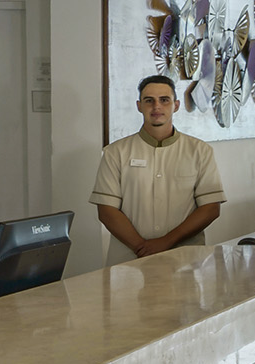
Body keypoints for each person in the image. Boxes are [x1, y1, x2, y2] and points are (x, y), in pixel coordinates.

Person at [93, 72, 225, 261]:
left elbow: (211, 208)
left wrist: (166, 242)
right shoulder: (115, 152)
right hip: (129, 260)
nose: (156, 107)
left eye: (164, 100)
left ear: (176, 105)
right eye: (149, 100)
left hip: (183, 259)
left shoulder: (200, 151)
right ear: (139, 106)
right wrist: (142, 247)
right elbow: (107, 210)